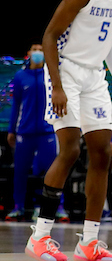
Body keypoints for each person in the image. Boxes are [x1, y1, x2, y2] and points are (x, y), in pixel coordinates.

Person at [26, 0, 112, 261]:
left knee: (102, 152)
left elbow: (110, 42)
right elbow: (49, 35)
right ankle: (40, 236)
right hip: (66, 71)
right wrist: (56, 85)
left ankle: (89, 243)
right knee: (71, 148)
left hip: (94, 77)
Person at [5, 44, 67, 222]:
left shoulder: (51, 74)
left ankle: (59, 207)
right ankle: (18, 207)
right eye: (34, 49)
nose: (38, 52)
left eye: (41, 49)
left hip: (47, 131)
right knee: (20, 170)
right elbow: (16, 104)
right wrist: (12, 130)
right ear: (29, 53)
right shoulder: (20, 76)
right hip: (24, 131)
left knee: (53, 170)